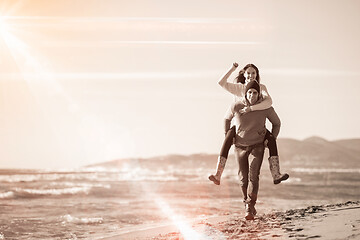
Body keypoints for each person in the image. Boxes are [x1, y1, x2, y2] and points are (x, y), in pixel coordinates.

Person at [209, 63, 288, 185]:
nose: (251, 75)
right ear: (244, 74)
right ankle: (218, 174)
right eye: (248, 73)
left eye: (254, 73)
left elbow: (269, 102)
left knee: (272, 139)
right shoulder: (238, 88)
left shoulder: (261, 87)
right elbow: (221, 82)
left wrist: (251, 109)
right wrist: (232, 69)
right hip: (240, 126)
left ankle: (276, 174)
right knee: (227, 139)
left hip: (257, 125)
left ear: (257, 75)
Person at [225, 80, 281, 220]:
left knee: (253, 176)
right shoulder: (236, 106)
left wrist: (271, 139)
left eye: (255, 92)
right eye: (249, 92)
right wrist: (228, 135)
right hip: (239, 146)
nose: (252, 95)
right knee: (243, 179)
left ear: (258, 94)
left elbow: (277, 123)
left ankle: (250, 206)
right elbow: (226, 119)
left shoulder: (264, 107)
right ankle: (247, 203)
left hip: (258, 145)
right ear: (245, 93)